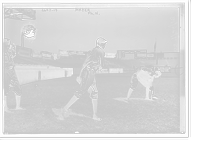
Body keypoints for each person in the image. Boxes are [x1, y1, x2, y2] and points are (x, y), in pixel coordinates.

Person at [60, 38, 107, 121]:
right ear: (98, 43)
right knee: (81, 91)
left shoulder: (91, 51)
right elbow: (102, 66)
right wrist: (98, 68)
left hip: (88, 71)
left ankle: (95, 115)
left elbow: (84, 64)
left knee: (95, 92)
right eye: (102, 43)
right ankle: (65, 108)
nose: (104, 44)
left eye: (104, 43)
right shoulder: (100, 51)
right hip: (90, 72)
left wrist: (79, 75)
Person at [4, 38, 26, 113]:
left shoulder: (10, 50)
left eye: (8, 44)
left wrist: (13, 51)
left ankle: (18, 106)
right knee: (5, 89)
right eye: (6, 44)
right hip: (4, 69)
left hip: (12, 70)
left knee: (18, 88)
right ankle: (5, 107)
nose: (7, 45)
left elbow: (14, 57)